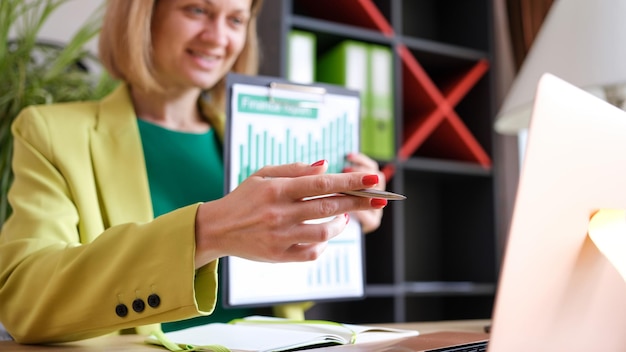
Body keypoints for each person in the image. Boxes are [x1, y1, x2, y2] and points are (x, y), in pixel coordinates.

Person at [0, 0, 387, 344]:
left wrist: (338, 221)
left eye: (235, 20)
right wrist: (205, 233)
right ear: (144, 16)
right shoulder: (52, 133)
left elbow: (281, 293)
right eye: (197, 10)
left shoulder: (254, 134)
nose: (218, 37)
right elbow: (26, 301)